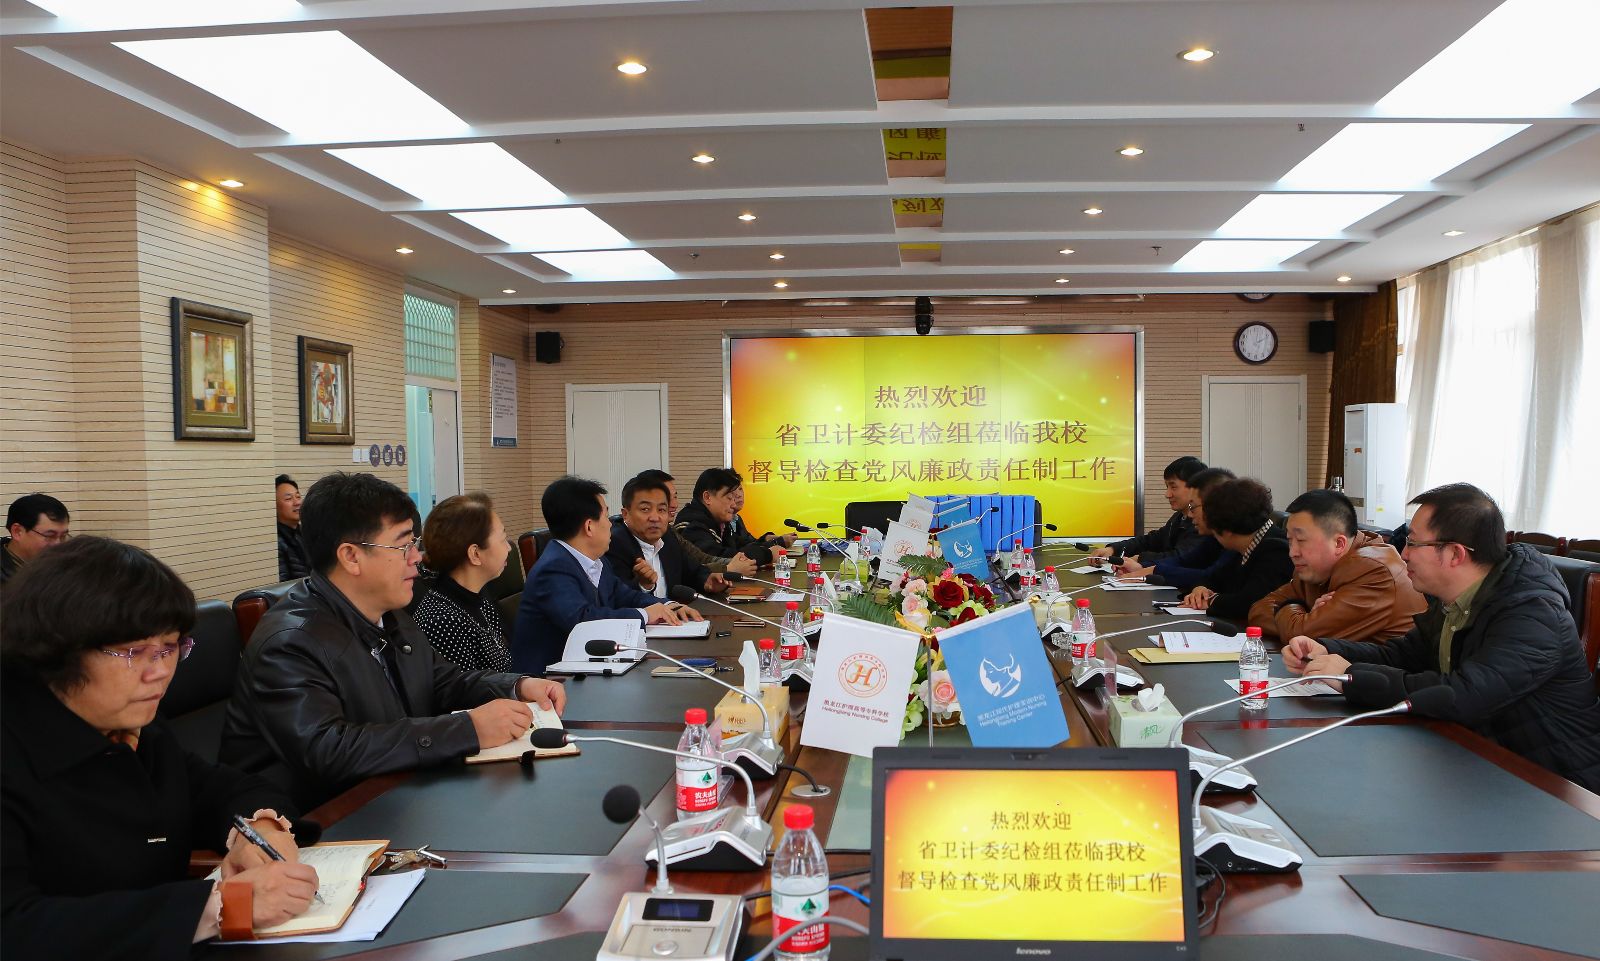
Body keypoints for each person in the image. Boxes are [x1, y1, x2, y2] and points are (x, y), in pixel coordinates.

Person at [2, 537, 321, 959]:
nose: (160, 673)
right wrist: (219, 908)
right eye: (135, 652)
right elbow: (15, 928)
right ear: (56, 651)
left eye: (170, 648)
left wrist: (260, 830)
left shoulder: (131, 727)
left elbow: (222, 789)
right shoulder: (17, 748)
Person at [221, 472, 566, 809]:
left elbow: (443, 682)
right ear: (351, 556)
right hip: (321, 821)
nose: (417, 557)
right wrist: (467, 729)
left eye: (415, 544)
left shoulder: (388, 613)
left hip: (399, 795)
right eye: (403, 546)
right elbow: (330, 750)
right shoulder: (290, 642)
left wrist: (516, 686)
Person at [1286, 483, 1600, 792]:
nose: (1404, 553)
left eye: (1413, 543)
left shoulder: (1533, 615)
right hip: (1477, 766)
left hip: (1557, 787)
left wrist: (1351, 677)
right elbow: (1401, 656)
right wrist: (1327, 649)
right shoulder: (1453, 599)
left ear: (1454, 553)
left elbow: (1463, 695)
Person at [512, 476, 701, 675]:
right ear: (589, 527)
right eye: (606, 516)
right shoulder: (553, 568)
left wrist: (667, 606)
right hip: (549, 681)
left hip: (588, 669)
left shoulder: (597, 561)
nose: (611, 524)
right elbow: (583, 621)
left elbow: (625, 595)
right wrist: (645, 614)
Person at [1248, 489, 1425, 642]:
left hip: (1391, 670)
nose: (1292, 552)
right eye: (1290, 540)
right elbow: (1258, 611)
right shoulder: (1315, 567)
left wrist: (1291, 609)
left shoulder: (1375, 571)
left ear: (1339, 544)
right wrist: (1303, 617)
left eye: (1301, 540)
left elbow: (1301, 634)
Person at [412, 493, 514, 672]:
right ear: (475, 554)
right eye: (503, 539)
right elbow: (466, 688)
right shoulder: (443, 622)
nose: (509, 547)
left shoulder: (478, 597)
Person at [1178, 477, 1293, 622]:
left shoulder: (1278, 551)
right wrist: (1200, 589)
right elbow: (1212, 577)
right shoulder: (1243, 543)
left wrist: (1211, 601)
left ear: (1227, 529)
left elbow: (1251, 603)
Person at [606, 474, 729, 598]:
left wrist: (707, 580)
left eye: (661, 510)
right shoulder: (614, 544)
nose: (655, 518)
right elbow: (615, 598)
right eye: (645, 509)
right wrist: (643, 586)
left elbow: (692, 571)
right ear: (625, 514)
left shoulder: (667, 537)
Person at [1118, 467, 1235, 590]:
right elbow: (1184, 560)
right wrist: (1142, 568)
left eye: (1193, 506)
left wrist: (1148, 569)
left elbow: (1212, 578)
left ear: (1215, 505)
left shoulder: (1237, 543)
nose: (1190, 514)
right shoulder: (1212, 538)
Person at [636, 469, 756, 578]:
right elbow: (685, 571)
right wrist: (729, 568)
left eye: (675, 497)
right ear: (627, 512)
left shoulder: (669, 532)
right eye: (645, 509)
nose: (674, 505)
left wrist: (736, 564)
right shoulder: (690, 525)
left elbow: (701, 559)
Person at [1093, 456, 1207, 564]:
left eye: (1173, 487)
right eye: (1167, 487)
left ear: (1194, 487)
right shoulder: (1179, 518)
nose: (1167, 494)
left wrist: (1140, 559)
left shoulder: (1204, 522)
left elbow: (1181, 558)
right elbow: (1151, 541)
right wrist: (1113, 549)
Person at [674, 468, 775, 568]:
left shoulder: (721, 523)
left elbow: (741, 545)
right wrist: (768, 554)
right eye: (729, 498)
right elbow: (719, 557)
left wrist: (773, 542)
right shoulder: (692, 526)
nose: (733, 504)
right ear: (707, 497)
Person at [2, 493, 70, 588]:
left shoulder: (67, 566)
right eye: (50, 536)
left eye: (63, 536)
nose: (58, 544)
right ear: (17, 531)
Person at [275, 474, 311, 581]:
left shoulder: (306, 533)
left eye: (298, 497)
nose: (297, 502)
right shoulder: (277, 542)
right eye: (288, 498)